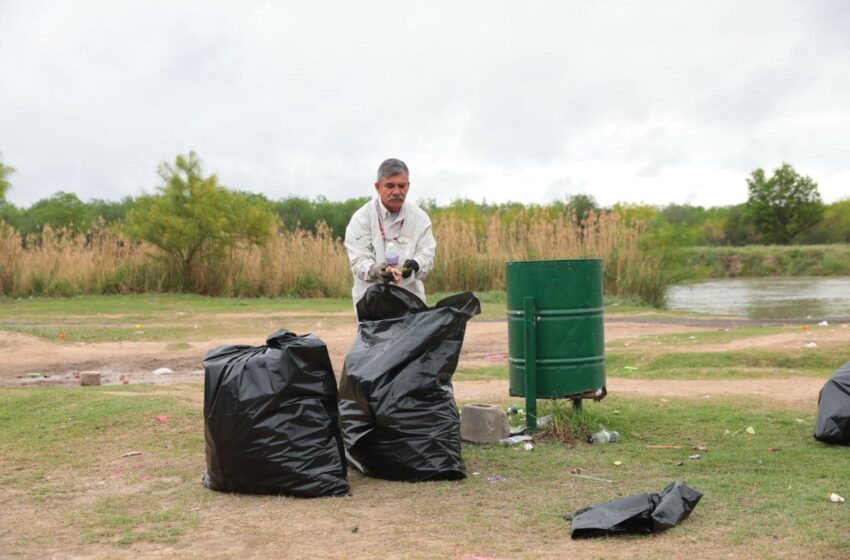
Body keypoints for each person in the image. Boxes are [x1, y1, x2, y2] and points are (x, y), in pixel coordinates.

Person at [344, 158, 436, 308]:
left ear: (408, 186)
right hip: (371, 303)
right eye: (390, 186)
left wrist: (416, 264)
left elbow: (427, 255)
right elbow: (358, 261)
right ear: (378, 187)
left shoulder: (420, 218)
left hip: (410, 302)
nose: (397, 192)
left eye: (402, 186)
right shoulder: (361, 218)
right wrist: (376, 270)